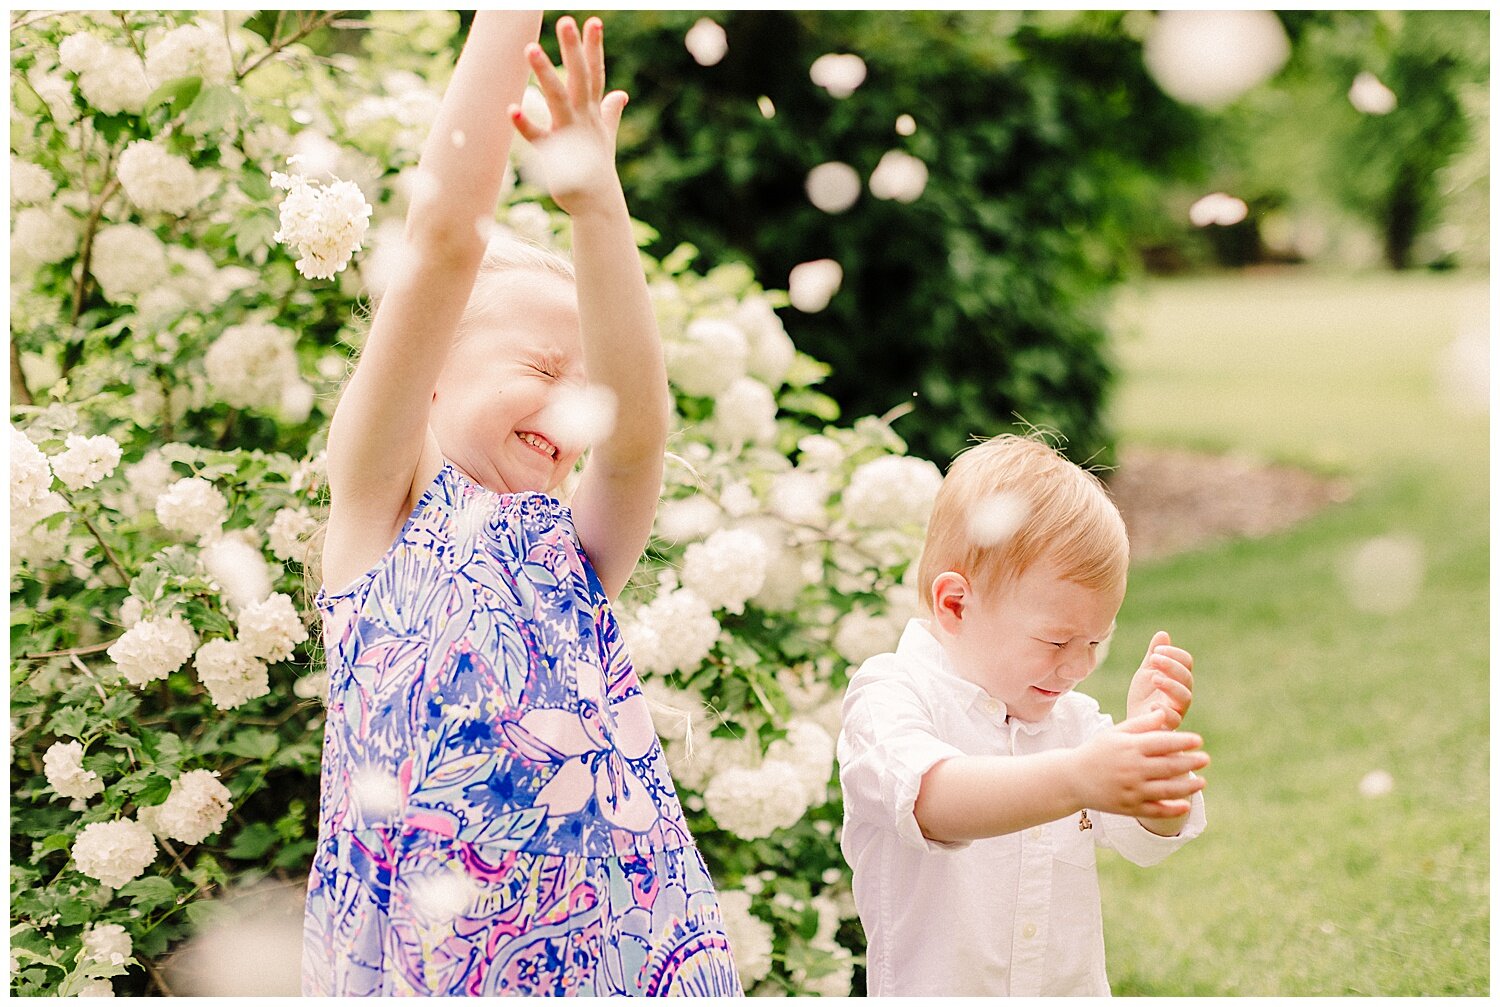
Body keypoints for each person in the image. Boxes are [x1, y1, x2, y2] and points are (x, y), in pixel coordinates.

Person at [301, 12, 741, 996]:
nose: (568, 402)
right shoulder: (380, 512)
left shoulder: (575, 552)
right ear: (431, 379)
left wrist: (597, 206)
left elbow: (635, 429)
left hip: (612, 964)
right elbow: (445, 238)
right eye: (541, 366)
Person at [837, 433, 1210, 996]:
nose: (1079, 667)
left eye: (1095, 642)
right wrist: (1077, 777)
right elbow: (934, 802)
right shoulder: (889, 696)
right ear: (956, 604)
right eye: (1057, 641)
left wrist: (1147, 749)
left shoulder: (1074, 725)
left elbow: (1148, 837)